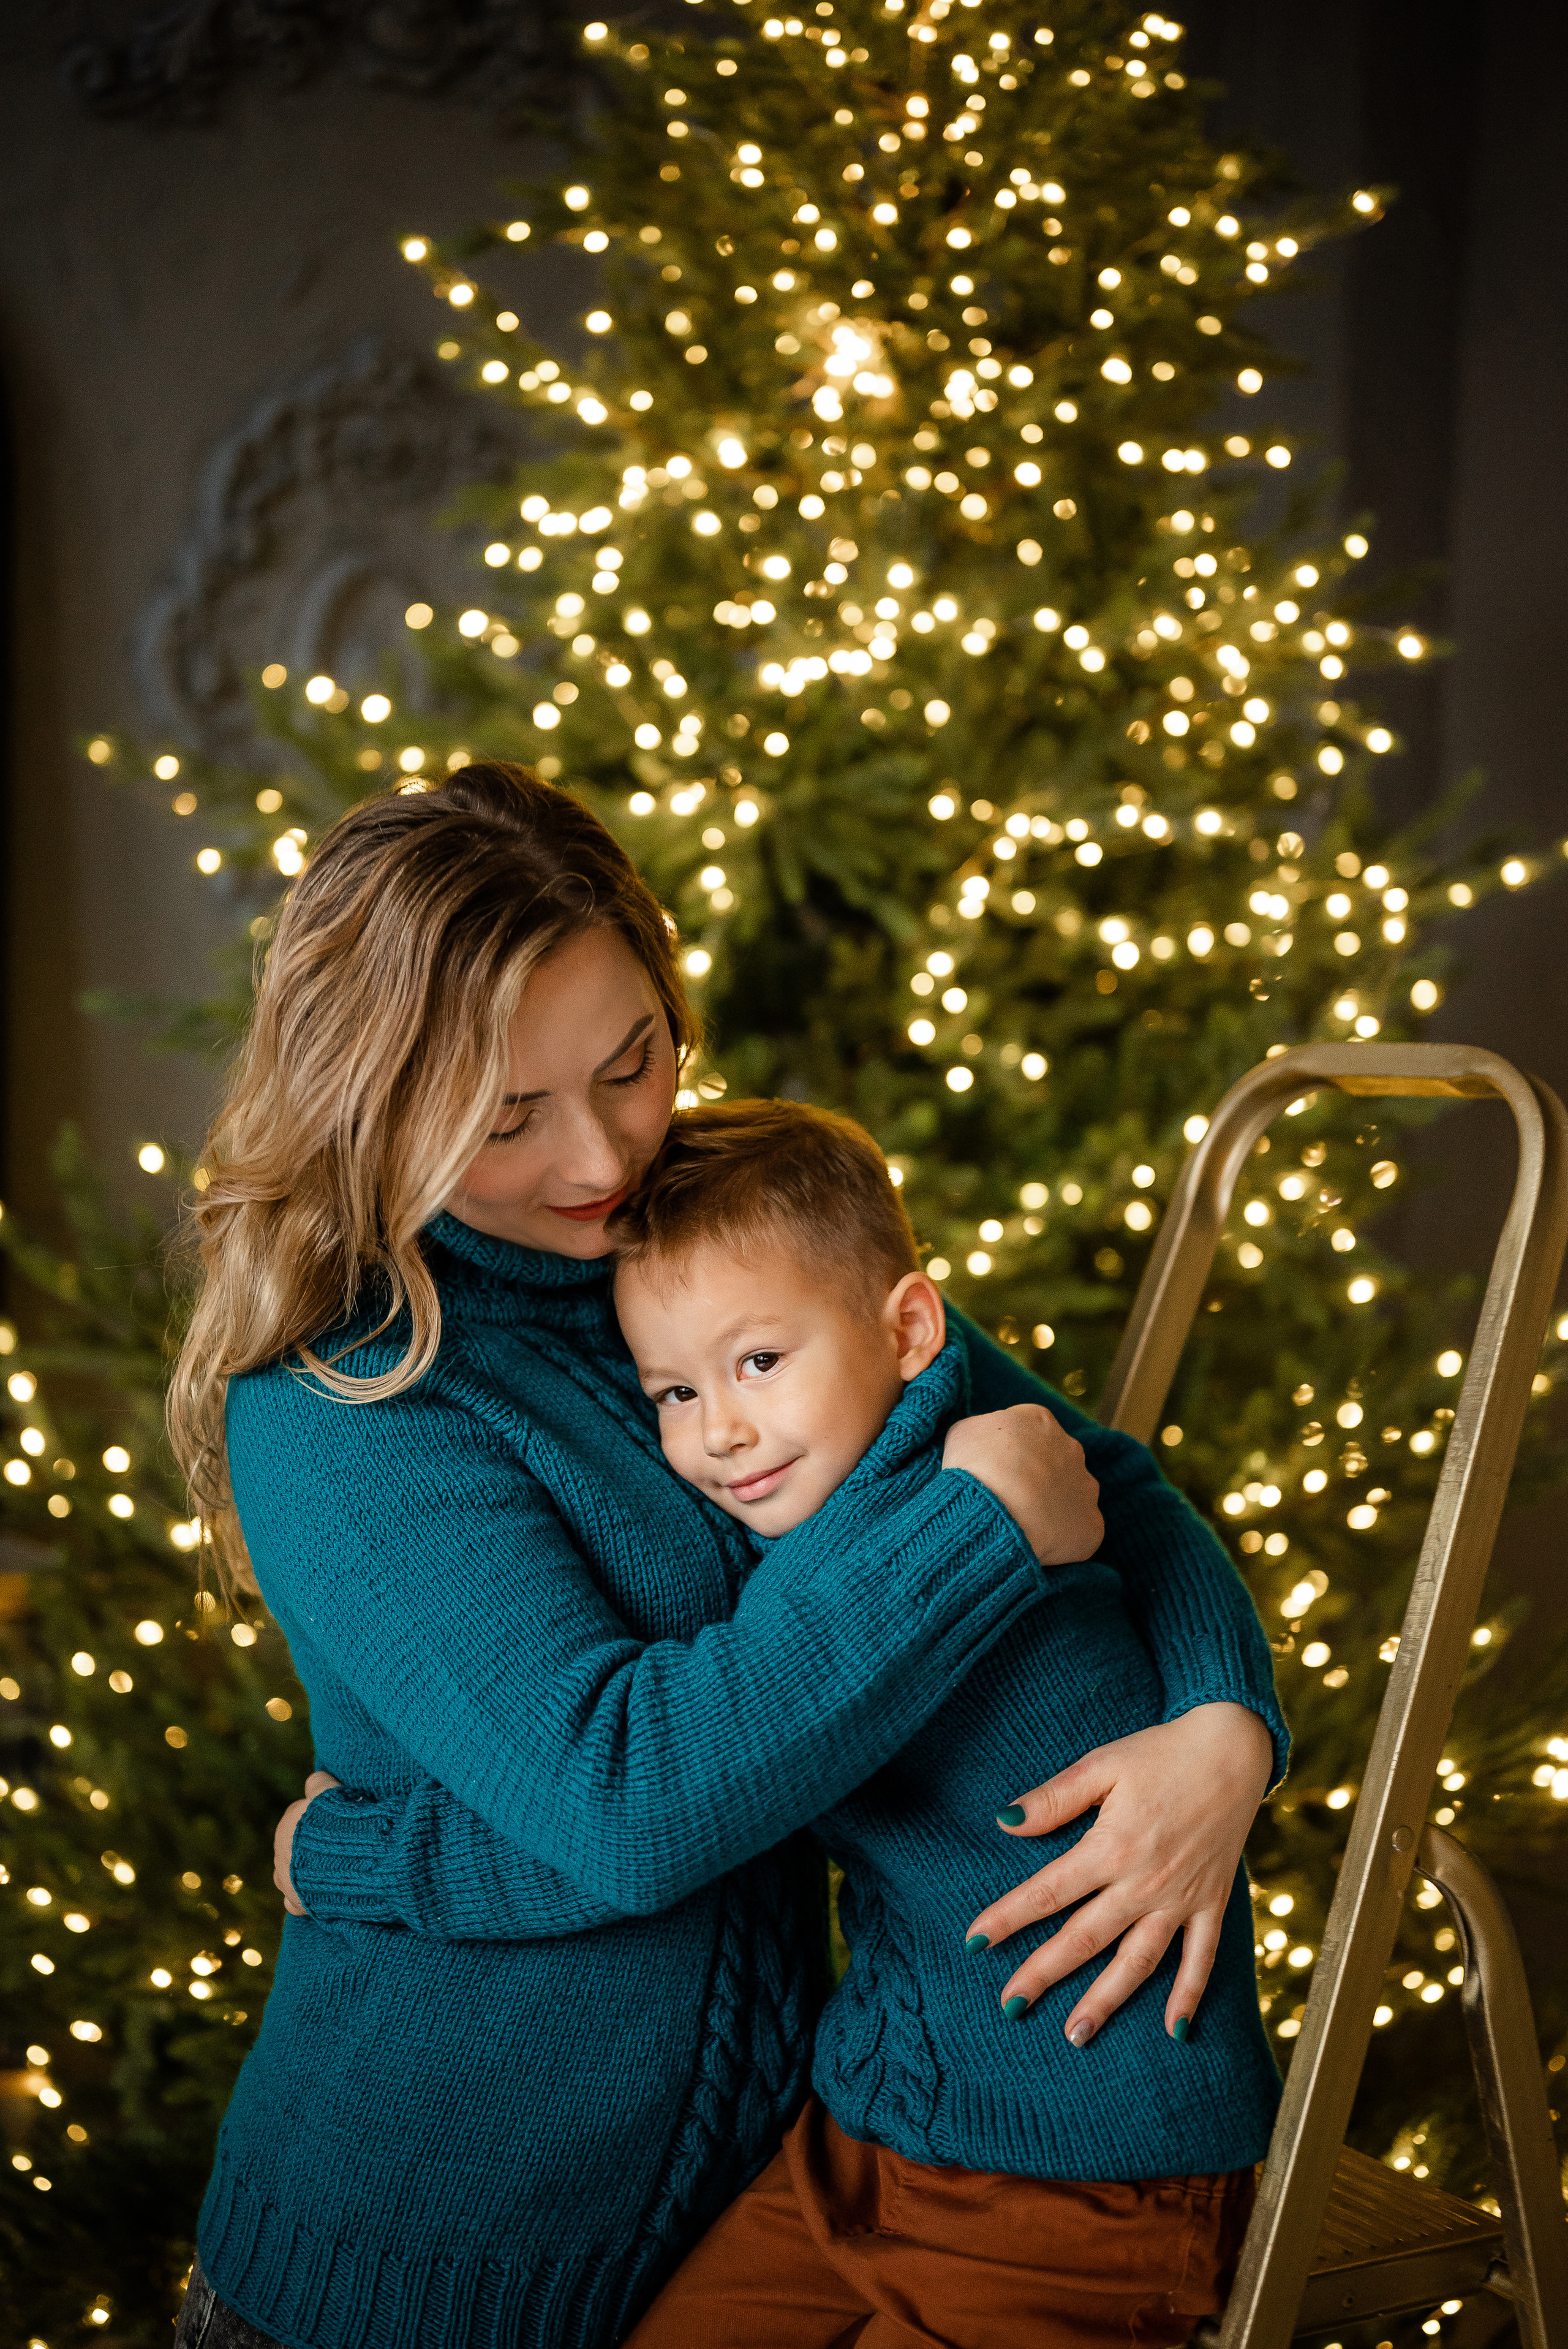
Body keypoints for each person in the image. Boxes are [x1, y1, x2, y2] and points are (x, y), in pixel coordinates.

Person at [170, 763, 1283, 2349]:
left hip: (782, 2197)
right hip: (420, 2262)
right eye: (506, 1118)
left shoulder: (721, 1242)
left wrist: (1224, 1731)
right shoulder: (347, 1403)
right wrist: (971, 1531)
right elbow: (633, 1803)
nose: (599, 1161)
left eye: (631, 1063)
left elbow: (1096, 1479)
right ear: (376, 1102)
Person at [606, 1099, 1276, 2347]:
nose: (720, 1432)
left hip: (1084, 2178)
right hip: (870, 2132)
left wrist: (1229, 1717)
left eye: (760, 1363)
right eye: (675, 1391)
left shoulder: (886, 1554)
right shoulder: (904, 1480)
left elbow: (661, 1795)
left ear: (912, 1328)